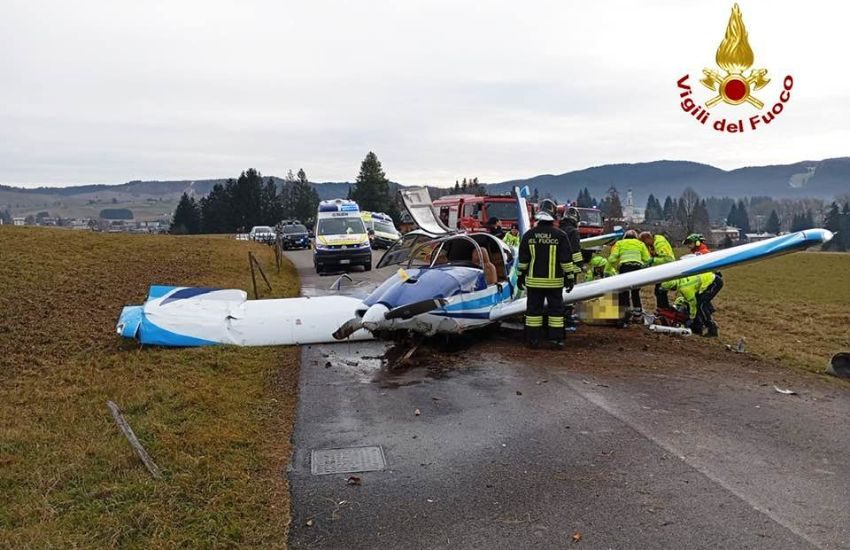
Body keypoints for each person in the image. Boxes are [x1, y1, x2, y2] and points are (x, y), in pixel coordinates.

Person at [517, 210, 577, 349]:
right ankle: (556, 340)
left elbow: (523, 260)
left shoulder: (529, 235)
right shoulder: (560, 235)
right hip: (554, 282)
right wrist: (569, 277)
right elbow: (566, 259)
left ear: (538, 220)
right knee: (556, 311)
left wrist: (521, 276)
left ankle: (533, 340)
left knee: (533, 312)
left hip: (534, 282)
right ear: (553, 221)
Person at [658, 271, 723, 336]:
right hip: (707, 281)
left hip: (714, 282)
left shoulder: (685, 288)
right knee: (699, 302)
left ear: (673, 287)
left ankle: (711, 328)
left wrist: (691, 318)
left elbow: (692, 304)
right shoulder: (680, 279)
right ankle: (699, 326)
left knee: (700, 305)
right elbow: (686, 297)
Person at [607, 229, 651, 314]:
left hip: (625, 267)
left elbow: (612, 259)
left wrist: (610, 269)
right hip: (637, 268)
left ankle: (625, 312)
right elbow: (647, 259)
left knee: (624, 291)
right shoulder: (640, 244)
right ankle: (637, 312)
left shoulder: (619, 243)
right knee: (635, 291)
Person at [640, 231, 676, 308]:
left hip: (667, 269)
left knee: (660, 291)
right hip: (661, 270)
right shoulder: (652, 244)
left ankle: (664, 309)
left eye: (644, 242)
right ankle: (663, 309)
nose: (645, 245)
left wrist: (653, 260)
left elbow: (668, 259)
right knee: (658, 291)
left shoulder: (660, 243)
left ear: (648, 238)